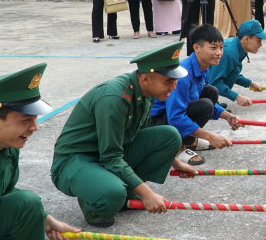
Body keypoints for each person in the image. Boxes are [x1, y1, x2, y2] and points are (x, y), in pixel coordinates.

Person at [51, 43, 194, 227]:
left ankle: (125, 189)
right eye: (168, 81)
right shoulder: (115, 99)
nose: (174, 87)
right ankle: (93, 202)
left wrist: (176, 162)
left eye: (175, 81)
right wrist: (147, 193)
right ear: (145, 79)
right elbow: (111, 157)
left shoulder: (148, 91)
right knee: (112, 195)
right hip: (75, 160)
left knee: (170, 137)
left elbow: (137, 134)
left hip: (107, 153)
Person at [0, 64, 80, 240]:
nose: (35, 127)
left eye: (35, 119)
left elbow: (6, 192)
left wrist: (46, 220)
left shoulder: (7, 147)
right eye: (26, 120)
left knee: (26, 203)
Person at [150, 25, 239, 166]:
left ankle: (189, 141)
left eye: (221, 48)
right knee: (205, 105)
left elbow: (195, 97)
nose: (219, 53)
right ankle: (178, 148)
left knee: (211, 92)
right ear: (196, 48)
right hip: (155, 125)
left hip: (170, 116)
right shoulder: (183, 75)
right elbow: (175, 116)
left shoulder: (204, 68)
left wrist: (227, 116)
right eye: (213, 48)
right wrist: (210, 136)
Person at [207, 20, 266, 106]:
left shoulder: (236, 47)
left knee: (235, 70)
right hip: (194, 88)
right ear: (246, 39)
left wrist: (250, 83)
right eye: (258, 40)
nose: (261, 45)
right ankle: (207, 102)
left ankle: (210, 102)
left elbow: (230, 71)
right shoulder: (230, 53)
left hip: (203, 83)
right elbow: (213, 82)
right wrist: (237, 97)